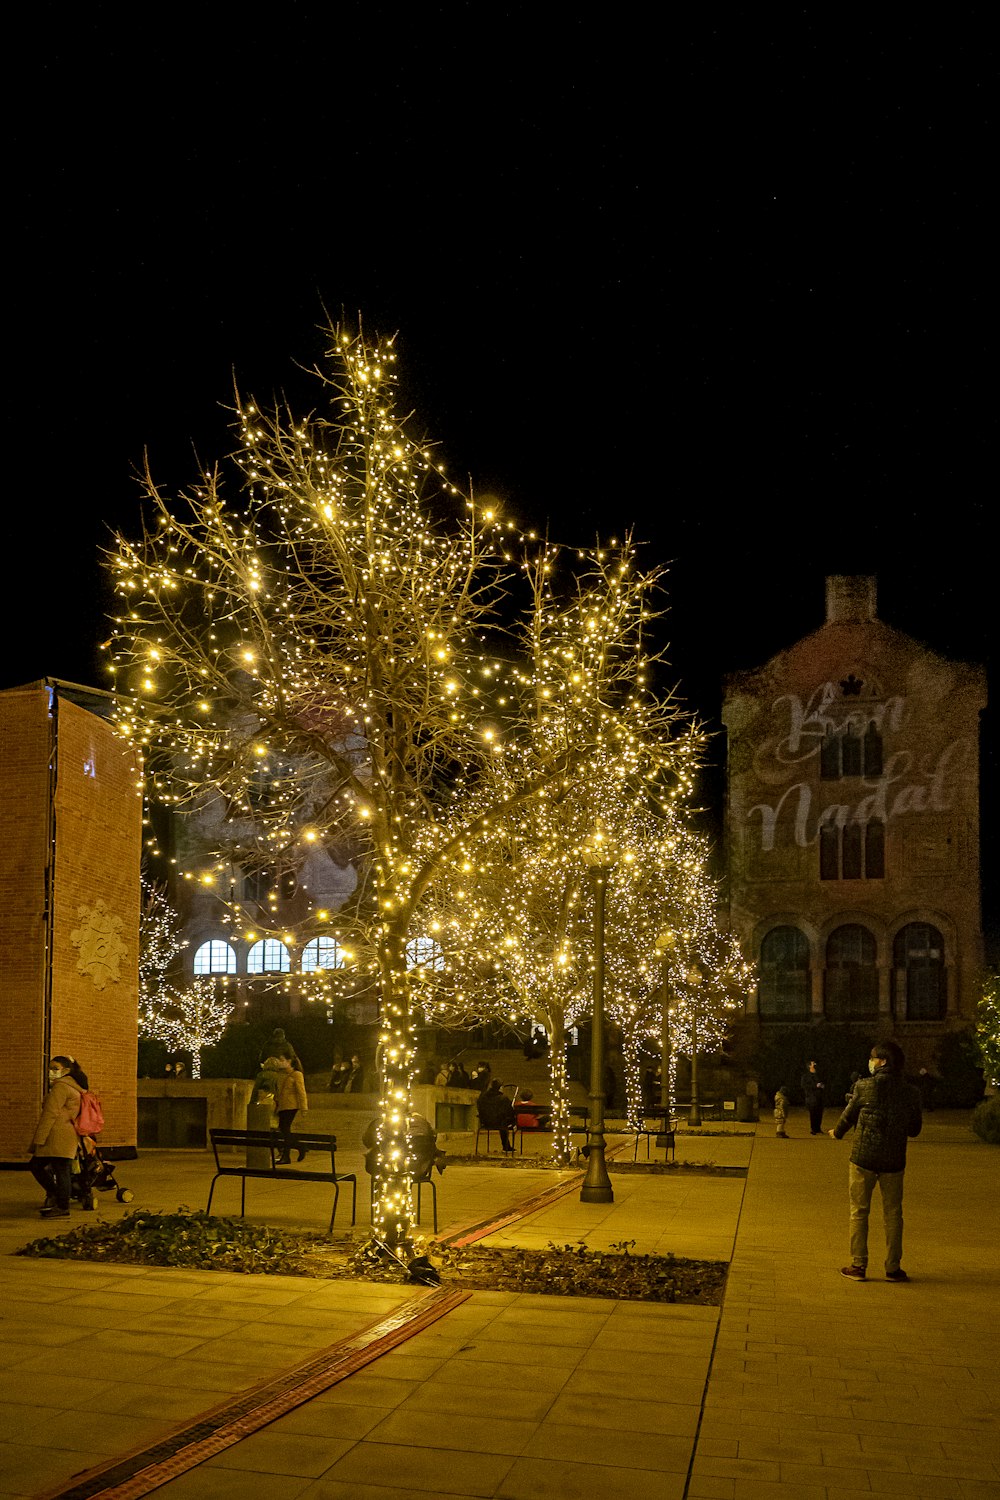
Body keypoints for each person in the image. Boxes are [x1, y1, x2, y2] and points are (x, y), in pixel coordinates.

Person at [829, 1040, 923, 1282]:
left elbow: (848, 1116)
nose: (870, 1061)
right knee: (893, 1214)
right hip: (894, 1161)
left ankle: (858, 1266)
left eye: (873, 1058)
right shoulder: (910, 1092)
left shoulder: (864, 1086)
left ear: (881, 1061)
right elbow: (914, 1130)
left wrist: (836, 1133)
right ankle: (893, 1268)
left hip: (863, 1159)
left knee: (859, 1212)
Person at [28, 1056, 88, 1218]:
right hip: (68, 1134)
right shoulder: (76, 1087)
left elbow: (50, 1114)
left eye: (55, 1068)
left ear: (66, 1070)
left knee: (39, 1166)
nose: (51, 1072)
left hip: (56, 1134)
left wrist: (38, 1139)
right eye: (50, 1068)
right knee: (62, 1169)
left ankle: (61, 1203)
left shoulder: (61, 1087)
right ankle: (60, 1199)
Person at [274, 1055, 309, 1163]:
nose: (280, 1062)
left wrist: (304, 1108)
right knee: (283, 1130)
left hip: (291, 1106)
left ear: (289, 1061)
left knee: (285, 1129)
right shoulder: (282, 1074)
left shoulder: (297, 1074)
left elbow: (301, 1092)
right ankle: (300, 1146)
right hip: (282, 1106)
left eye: (282, 1060)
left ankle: (287, 1156)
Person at [477, 1078, 515, 1153]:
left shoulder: (483, 1097)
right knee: (504, 1122)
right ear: (500, 1088)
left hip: (485, 1122)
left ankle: (506, 1146)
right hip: (500, 1123)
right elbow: (509, 1112)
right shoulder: (503, 1098)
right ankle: (506, 1146)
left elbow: (479, 1108)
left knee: (502, 1121)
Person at [800, 1060, 827, 1134]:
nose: (815, 1064)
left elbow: (824, 1083)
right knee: (813, 1114)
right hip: (811, 1098)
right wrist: (815, 1086)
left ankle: (818, 1128)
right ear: (809, 1066)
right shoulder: (805, 1076)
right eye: (813, 1063)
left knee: (819, 1113)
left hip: (819, 1097)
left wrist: (823, 1086)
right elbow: (804, 1086)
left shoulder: (819, 1075)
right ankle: (813, 1129)